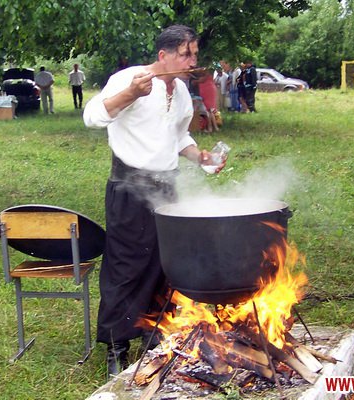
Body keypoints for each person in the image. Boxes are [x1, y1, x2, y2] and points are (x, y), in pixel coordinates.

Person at [83, 24, 226, 378]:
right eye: (185, 54)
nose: (192, 61)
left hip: (167, 189)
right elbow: (92, 117)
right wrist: (130, 94)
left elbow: (179, 137)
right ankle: (117, 344)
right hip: (129, 188)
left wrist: (201, 158)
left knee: (165, 264)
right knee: (125, 265)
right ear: (163, 55)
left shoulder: (181, 91)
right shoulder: (129, 79)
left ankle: (156, 336)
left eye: (195, 54)